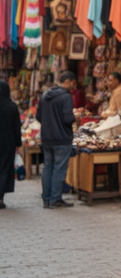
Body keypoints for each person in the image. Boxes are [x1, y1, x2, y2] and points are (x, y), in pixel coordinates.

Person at [36, 71, 77, 209]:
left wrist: (49, 123)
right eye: (73, 83)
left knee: (48, 167)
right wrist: (76, 116)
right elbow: (68, 119)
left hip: (47, 138)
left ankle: (46, 199)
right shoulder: (66, 97)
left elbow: (38, 116)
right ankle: (55, 199)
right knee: (59, 168)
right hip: (61, 138)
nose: (73, 87)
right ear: (67, 82)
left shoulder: (46, 94)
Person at [0, 81, 22, 209]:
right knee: (4, 169)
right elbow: (16, 127)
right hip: (7, 142)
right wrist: (18, 143)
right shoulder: (11, 106)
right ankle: (0, 198)